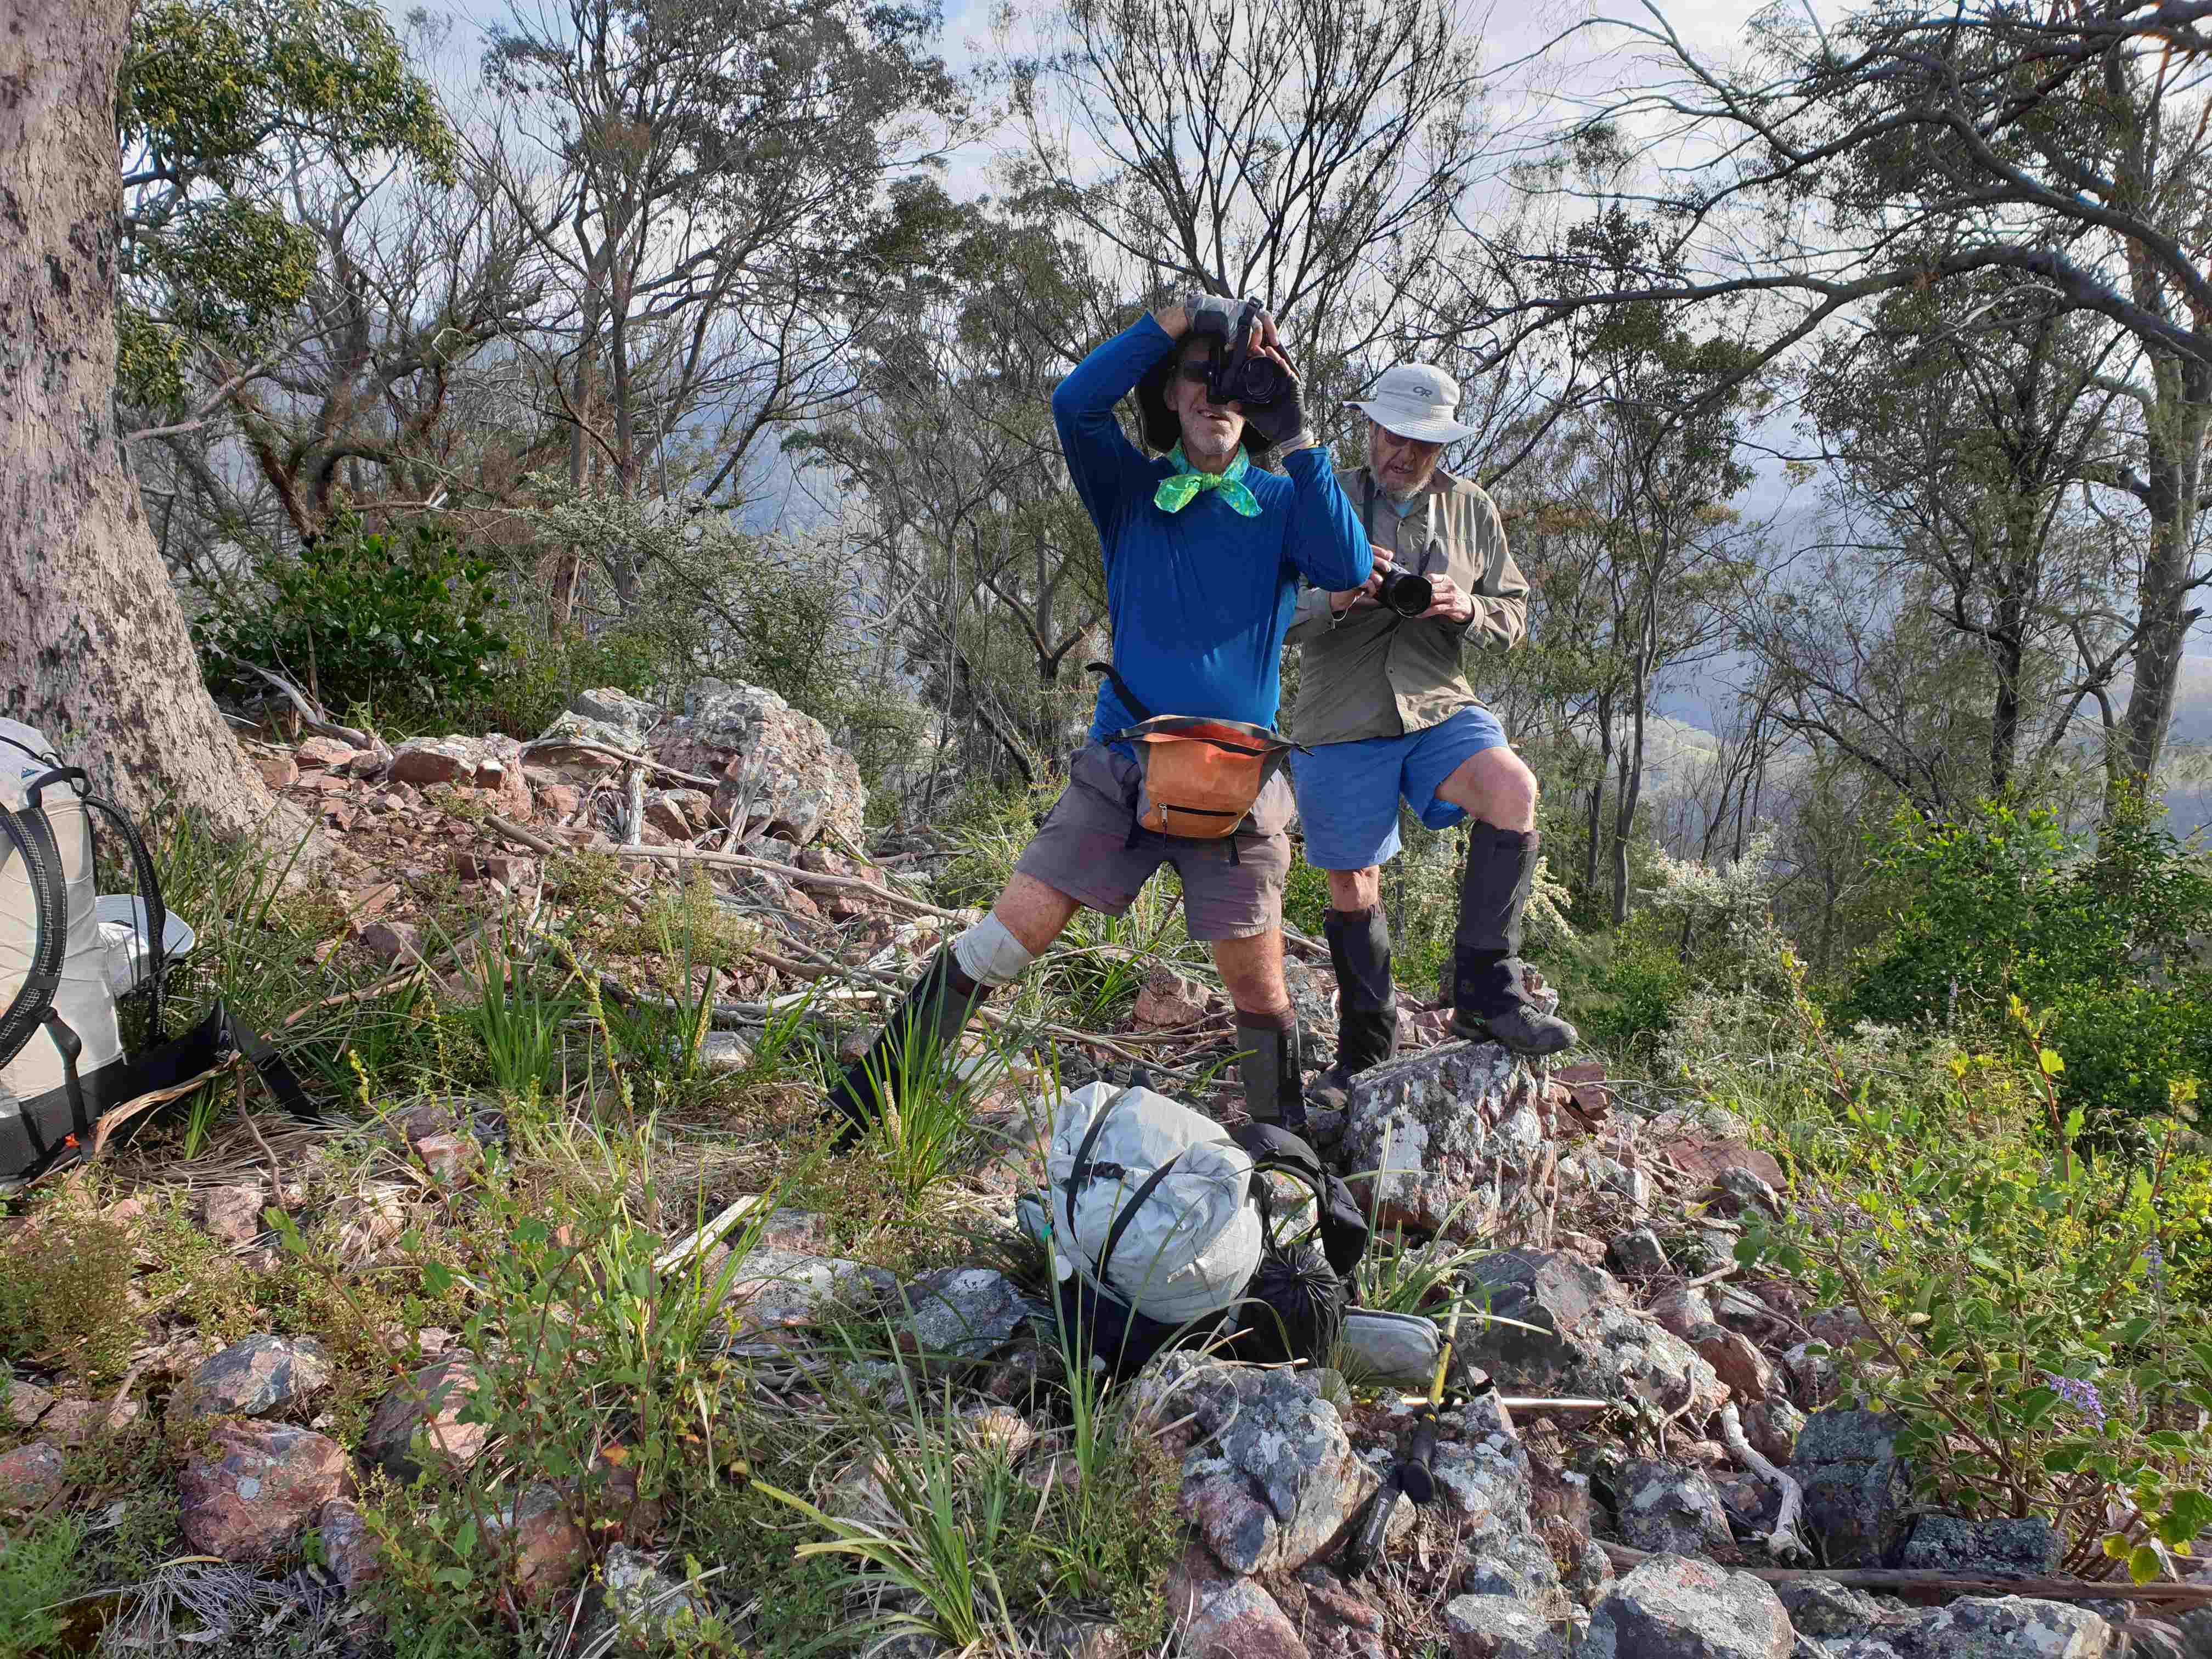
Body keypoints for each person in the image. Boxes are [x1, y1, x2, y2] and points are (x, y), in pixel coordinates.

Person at [821, 295, 1372, 1144]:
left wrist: (1298, 436)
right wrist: (1177, 320)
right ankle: (866, 1106)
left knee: (1261, 992)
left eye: (1239, 383)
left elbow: (1347, 564)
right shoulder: (1129, 488)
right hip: (1122, 764)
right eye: (1199, 377)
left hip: (1236, 787)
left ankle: (1286, 1170)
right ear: (1169, 395)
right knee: (1011, 936)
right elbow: (1074, 402)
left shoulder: (1283, 499)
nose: (1217, 395)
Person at [1285, 363, 1576, 1110]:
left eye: (1421, 441)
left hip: (1441, 704)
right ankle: (1366, 1044)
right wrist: (1340, 597)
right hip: (1340, 715)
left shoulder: (1472, 509)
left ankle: (1486, 987)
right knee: (1354, 883)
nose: (1402, 453)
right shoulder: (1320, 501)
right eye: (1391, 434)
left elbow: (1513, 617)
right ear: (1369, 427)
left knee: (1514, 790)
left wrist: (1464, 608)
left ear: (1441, 445)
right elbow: (1273, 617)